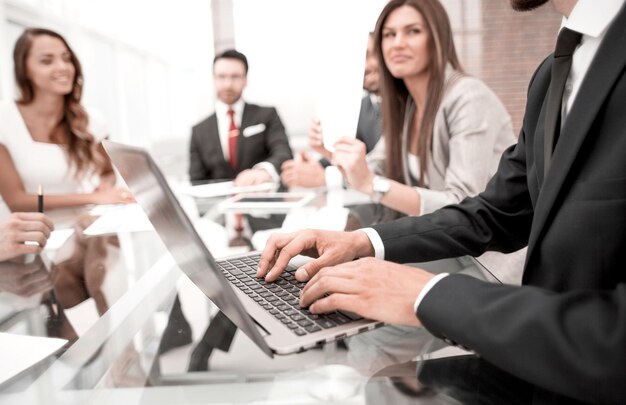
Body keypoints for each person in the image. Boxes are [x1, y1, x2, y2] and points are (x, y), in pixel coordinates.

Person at [257, 0, 626, 403]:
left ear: (438, 38)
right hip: (536, 332)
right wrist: (362, 238)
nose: (397, 44)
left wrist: (423, 290)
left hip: (514, 290)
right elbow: (496, 209)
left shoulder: (467, 97)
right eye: (389, 34)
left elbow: (449, 198)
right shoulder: (554, 70)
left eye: (412, 31)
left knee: (375, 334)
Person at [0, 28, 134, 219]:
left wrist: (105, 185)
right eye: (47, 61)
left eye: (66, 58)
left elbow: (107, 173)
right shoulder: (3, 118)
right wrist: (95, 197)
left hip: (80, 233)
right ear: (24, 69)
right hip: (24, 237)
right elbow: (18, 201)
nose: (62, 67)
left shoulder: (92, 121)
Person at [281, 34, 383, 189]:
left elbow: (384, 169)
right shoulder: (365, 106)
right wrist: (317, 164)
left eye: (368, 55)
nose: (363, 67)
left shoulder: (408, 104)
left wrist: (327, 177)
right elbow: (357, 155)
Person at [188, 49, 293, 186]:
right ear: (214, 79)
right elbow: (196, 180)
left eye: (235, 77)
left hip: (265, 200)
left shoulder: (267, 115)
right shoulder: (199, 131)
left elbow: (283, 151)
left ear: (245, 79)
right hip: (219, 205)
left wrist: (264, 171)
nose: (228, 84)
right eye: (221, 77)